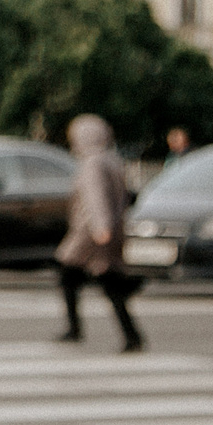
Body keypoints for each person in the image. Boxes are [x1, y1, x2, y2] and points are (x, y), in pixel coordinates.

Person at [56, 112, 144, 353]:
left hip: (91, 231)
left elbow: (96, 197)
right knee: (108, 281)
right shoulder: (111, 160)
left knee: (68, 273)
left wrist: (101, 226)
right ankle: (131, 334)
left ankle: (75, 328)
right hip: (112, 229)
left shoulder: (92, 162)